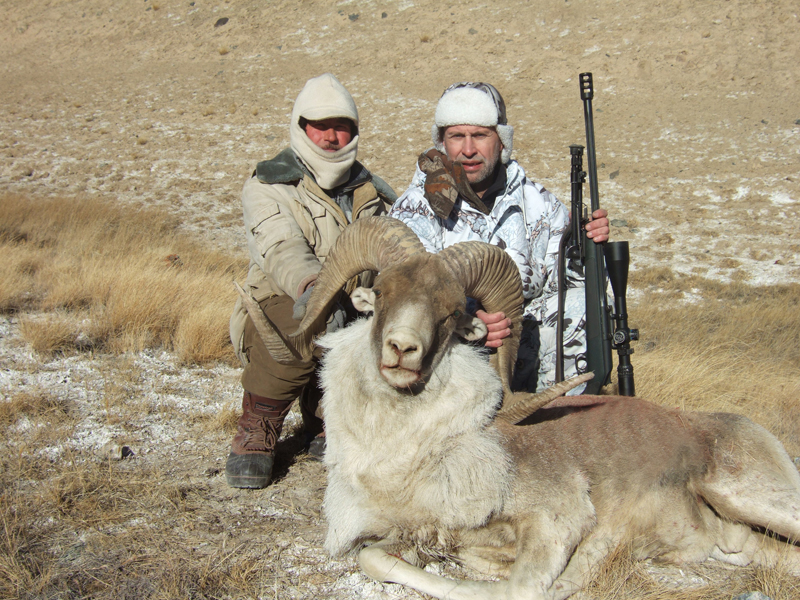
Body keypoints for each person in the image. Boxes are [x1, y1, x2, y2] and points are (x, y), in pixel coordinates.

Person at [227, 73, 396, 489]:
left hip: (358, 303)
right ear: (301, 126)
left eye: (343, 126)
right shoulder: (268, 183)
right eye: (321, 125)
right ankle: (257, 426)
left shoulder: (375, 193)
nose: (332, 136)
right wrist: (310, 285)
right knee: (296, 327)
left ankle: (327, 417)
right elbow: (279, 246)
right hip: (287, 298)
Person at [389, 81, 609, 394]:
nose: (468, 149)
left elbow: (569, 287)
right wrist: (466, 321)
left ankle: (561, 418)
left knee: (582, 301)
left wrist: (589, 246)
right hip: (451, 357)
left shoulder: (540, 206)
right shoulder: (415, 208)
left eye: (480, 135)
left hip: (526, 353)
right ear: (441, 142)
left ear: (501, 141)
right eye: (456, 136)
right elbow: (407, 296)